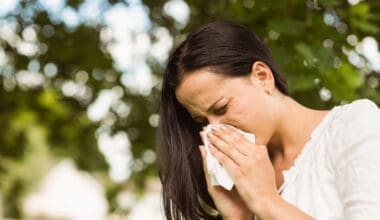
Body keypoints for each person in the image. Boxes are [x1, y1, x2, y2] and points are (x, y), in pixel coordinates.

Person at [156, 21, 380, 220]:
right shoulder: (241, 181)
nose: (215, 129)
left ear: (262, 77)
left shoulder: (355, 125)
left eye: (222, 108)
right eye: (202, 121)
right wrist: (238, 217)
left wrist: (267, 202)